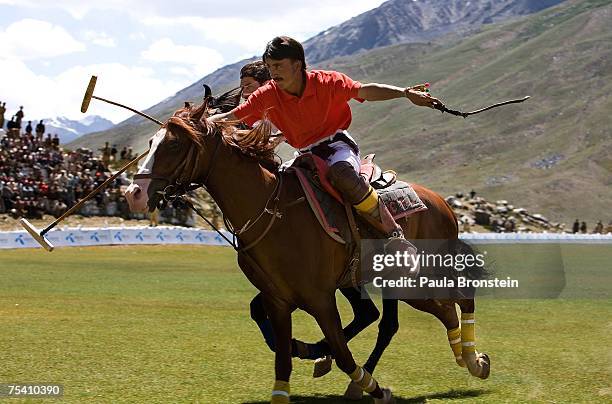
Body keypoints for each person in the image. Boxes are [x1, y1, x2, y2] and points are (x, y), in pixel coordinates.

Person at [210, 36, 440, 251]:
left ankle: (394, 234)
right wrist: (197, 123)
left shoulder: (327, 81)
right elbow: (234, 116)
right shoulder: (267, 94)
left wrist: (405, 93)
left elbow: (365, 91)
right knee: (280, 187)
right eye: (270, 67)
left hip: (337, 147)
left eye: (278, 65)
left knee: (342, 174)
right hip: (305, 155)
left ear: (297, 64)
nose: (273, 72)